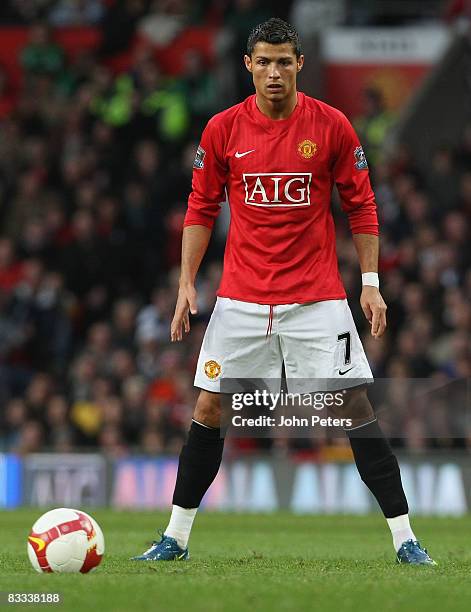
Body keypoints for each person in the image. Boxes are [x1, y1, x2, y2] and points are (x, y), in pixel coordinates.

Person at [132, 18, 436, 566]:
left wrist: (370, 283)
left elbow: (361, 205)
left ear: (299, 64)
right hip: (241, 300)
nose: (274, 72)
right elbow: (201, 207)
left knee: (353, 405)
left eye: (284, 61)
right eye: (265, 62)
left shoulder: (333, 126)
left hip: (316, 299)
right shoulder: (222, 130)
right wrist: (184, 283)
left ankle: (405, 539)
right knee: (208, 407)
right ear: (249, 65)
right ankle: (174, 538)